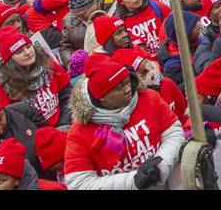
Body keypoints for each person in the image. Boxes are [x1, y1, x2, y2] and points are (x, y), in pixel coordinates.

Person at [64, 53, 185, 190]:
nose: (128, 89)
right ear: (101, 97)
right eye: (119, 87)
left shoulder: (148, 98)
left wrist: (161, 166)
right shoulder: (80, 131)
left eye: (128, 82)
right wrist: (133, 182)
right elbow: (79, 183)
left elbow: (173, 133)